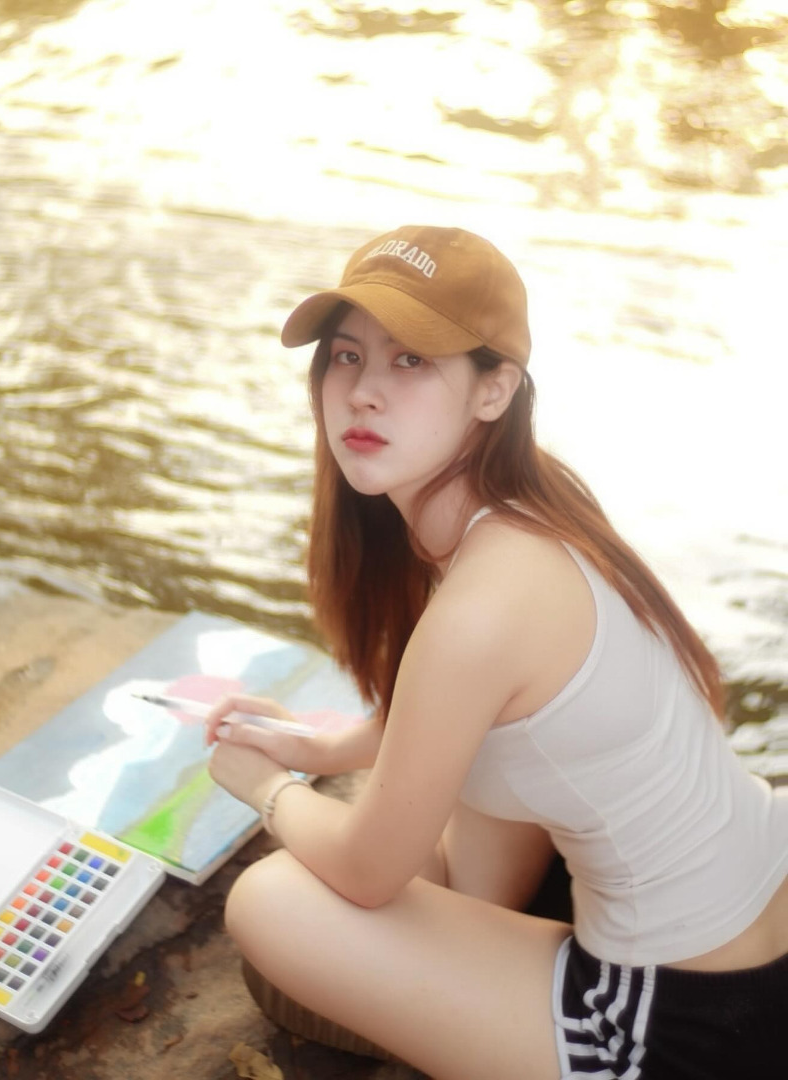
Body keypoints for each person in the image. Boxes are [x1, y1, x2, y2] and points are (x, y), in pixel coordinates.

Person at [203, 225, 788, 1080]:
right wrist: (326, 748)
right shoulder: (538, 504)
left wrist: (267, 787)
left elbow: (367, 874)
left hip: (692, 1019)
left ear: (493, 389)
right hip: (760, 893)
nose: (362, 392)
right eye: (346, 356)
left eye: (410, 361)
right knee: (443, 824)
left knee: (269, 902)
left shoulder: (481, 607)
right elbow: (492, 708)